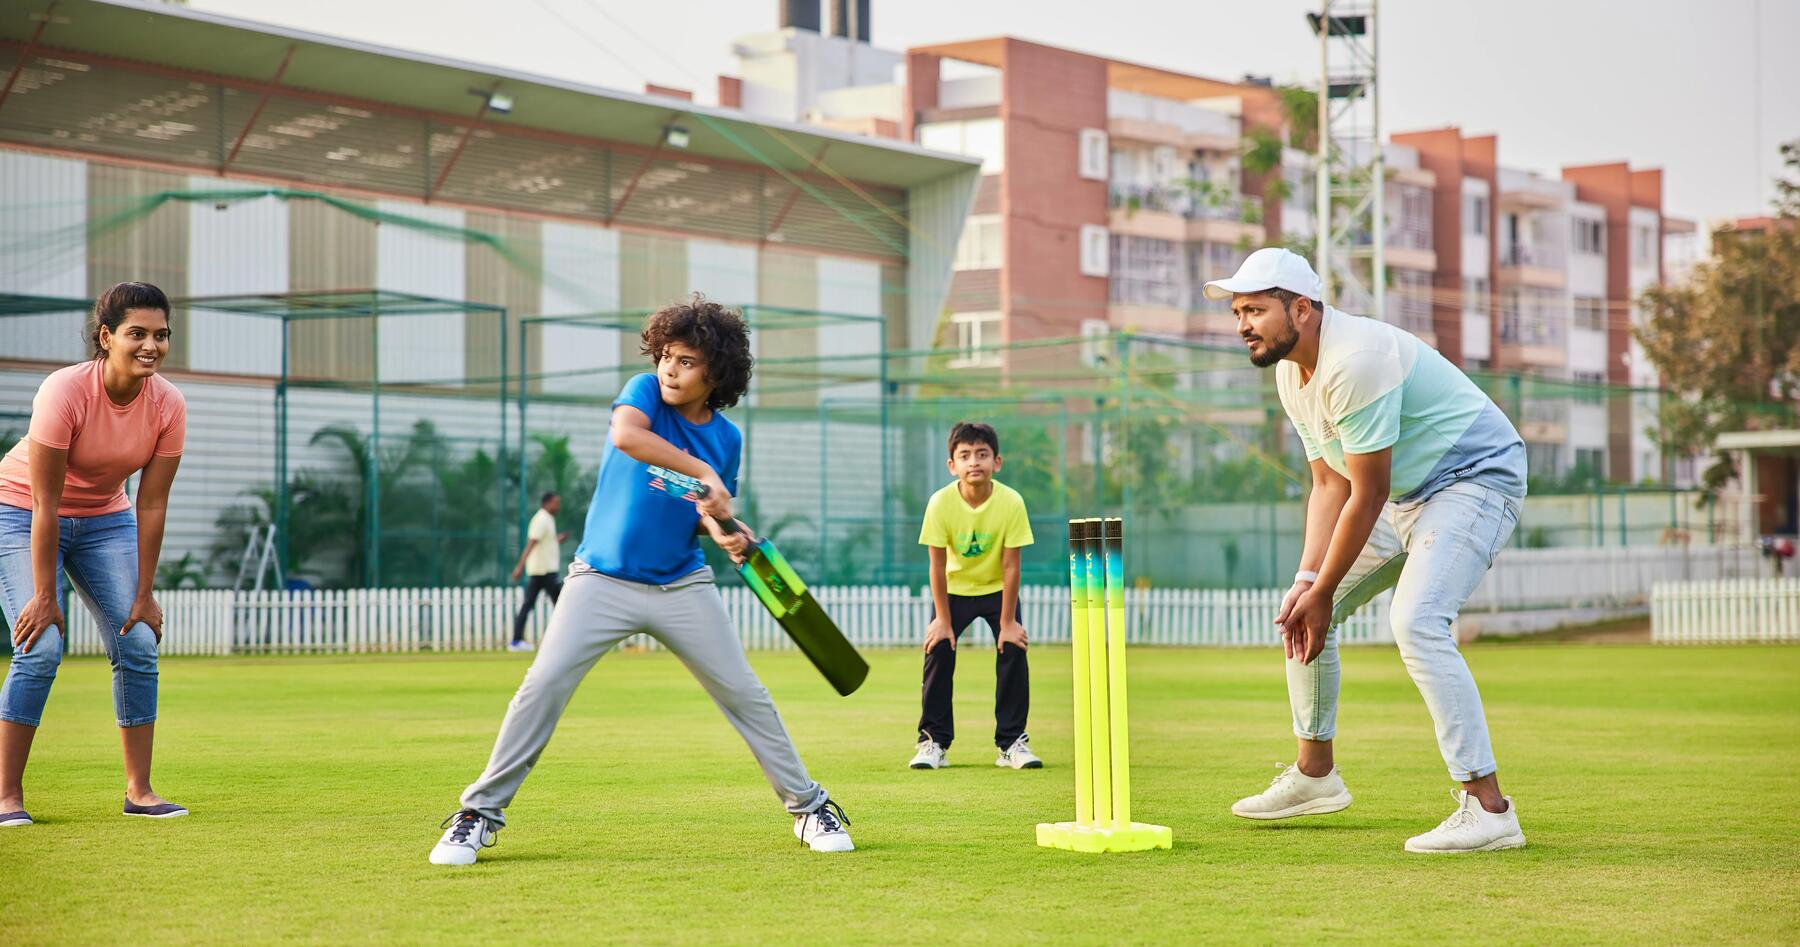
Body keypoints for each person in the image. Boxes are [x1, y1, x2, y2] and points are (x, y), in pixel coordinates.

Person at [430, 295, 853, 865]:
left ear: (717, 372)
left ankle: (810, 806)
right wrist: (702, 473)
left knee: (745, 694)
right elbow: (627, 438)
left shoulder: (727, 439)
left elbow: (704, 506)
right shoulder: (644, 394)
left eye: (687, 362)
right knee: (542, 686)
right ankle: (477, 814)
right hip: (600, 579)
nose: (670, 370)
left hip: (682, 586)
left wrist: (725, 528)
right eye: (667, 357)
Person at [1209, 248, 1529, 853]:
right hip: (1402, 495)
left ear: (1300, 309)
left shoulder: (1355, 358)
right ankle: (1315, 774)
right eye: (1237, 311)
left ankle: (1489, 808)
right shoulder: (1290, 371)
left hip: (1474, 478)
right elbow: (1329, 482)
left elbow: (1368, 490)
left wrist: (1326, 589)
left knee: (1416, 622)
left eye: (1255, 309)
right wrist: (1311, 582)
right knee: (1300, 605)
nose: (1242, 324)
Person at [0, 281, 189, 827]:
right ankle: (7, 795)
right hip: (21, 510)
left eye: (161, 334)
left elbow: (151, 505)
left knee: (139, 640)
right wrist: (43, 595)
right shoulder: (65, 391)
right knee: (41, 645)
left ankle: (141, 791)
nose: (151, 345)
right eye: (137, 334)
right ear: (106, 338)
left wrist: (145, 596)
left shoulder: (169, 404)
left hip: (108, 519)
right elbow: (45, 500)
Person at [908, 421, 1039, 771]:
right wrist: (942, 620)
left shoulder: (1011, 502)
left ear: (997, 461)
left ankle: (1011, 743)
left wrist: (1009, 622)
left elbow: (1012, 566)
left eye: (982, 454)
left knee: (1013, 647)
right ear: (952, 465)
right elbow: (936, 566)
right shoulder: (940, 503)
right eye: (964, 455)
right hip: (953, 590)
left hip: (998, 590)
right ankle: (933, 742)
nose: (973, 462)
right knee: (937, 647)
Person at [508, 491, 567, 652]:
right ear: (546, 503)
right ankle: (517, 641)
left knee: (548, 604)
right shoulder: (541, 519)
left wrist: (557, 540)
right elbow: (531, 543)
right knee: (561, 604)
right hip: (543, 570)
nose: (558, 506)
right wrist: (520, 566)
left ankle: (517, 640)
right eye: (556, 503)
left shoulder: (547, 519)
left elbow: (544, 543)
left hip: (544, 569)